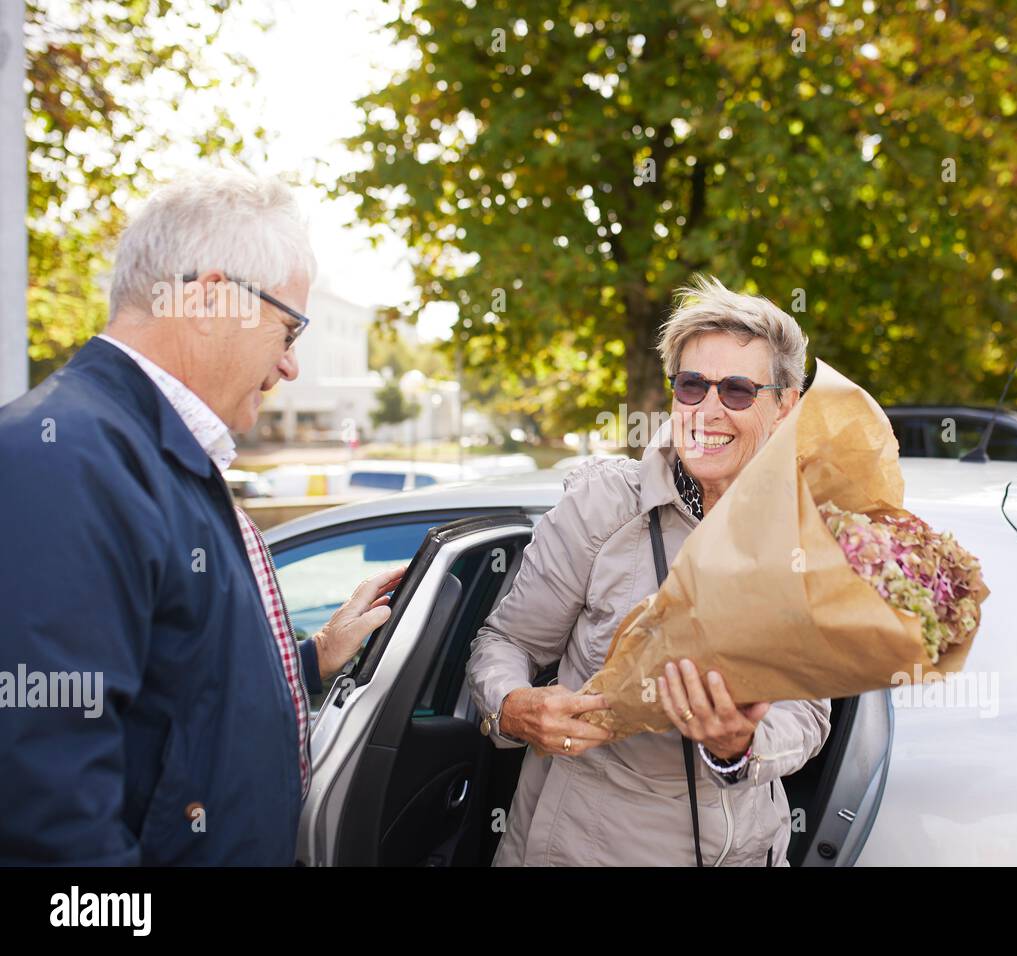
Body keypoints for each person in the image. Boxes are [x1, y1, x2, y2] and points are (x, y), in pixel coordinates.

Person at [0, 169, 397, 865]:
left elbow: (170, 697)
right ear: (214, 297)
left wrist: (307, 663)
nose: (291, 365)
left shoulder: (145, 448)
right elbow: (49, 816)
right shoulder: (64, 461)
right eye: (288, 328)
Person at [467, 275, 831, 866]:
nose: (708, 409)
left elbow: (808, 714)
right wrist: (511, 706)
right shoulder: (601, 506)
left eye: (738, 390)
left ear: (784, 406)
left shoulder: (809, 535)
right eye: (692, 386)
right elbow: (503, 641)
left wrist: (739, 746)